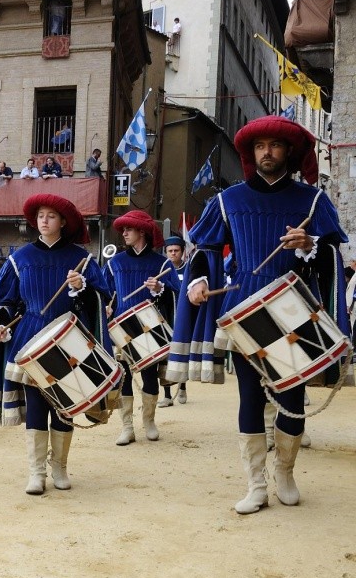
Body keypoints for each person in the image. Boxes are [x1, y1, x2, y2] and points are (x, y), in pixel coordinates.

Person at [170, 115, 349, 514]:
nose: (267, 152)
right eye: (259, 146)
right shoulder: (228, 200)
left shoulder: (313, 202)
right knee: (249, 398)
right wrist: (197, 282)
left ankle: (285, 471)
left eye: (275, 145)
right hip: (244, 311)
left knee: (293, 397)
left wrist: (310, 244)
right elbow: (203, 252)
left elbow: (334, 259)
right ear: (252, 154)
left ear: (289, 152)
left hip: (294, 311)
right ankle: (256, 484)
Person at [0, 195, 112, 494]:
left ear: (63, 223)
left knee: (64, 406)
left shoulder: (81, 259)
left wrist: (81, 288)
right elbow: (7, 300)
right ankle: (36, 472)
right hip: (29, 336)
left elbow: (103, 298)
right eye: (41, 215)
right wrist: (0, 323)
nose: (44, 220)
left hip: (68, 338)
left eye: (52, 216)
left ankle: (59, 467)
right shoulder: (19, 259)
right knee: (35, 405)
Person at [104, 210, 175, 447]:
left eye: (129, 229)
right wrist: (106, 307)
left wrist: (159, 289)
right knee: (123, 376)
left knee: (149, 375)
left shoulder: (162, 263)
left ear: (142, 232)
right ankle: (127, 427)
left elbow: (176, 295)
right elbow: (107, 293)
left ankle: (149, 422)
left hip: (150, 327)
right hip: (121, 327)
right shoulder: (115, 263)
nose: (124, 233)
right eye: (122, 229)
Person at [157, 236, 188, 409]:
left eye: (176, 251)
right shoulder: (163, 269)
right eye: (170, 251)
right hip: (166, 315)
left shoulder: (188, 269)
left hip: (182, 317)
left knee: (181, 353)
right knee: (165, 356)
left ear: (182, 252)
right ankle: (167, 395)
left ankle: (182, 387)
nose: (173, 253)